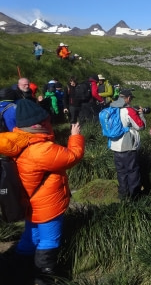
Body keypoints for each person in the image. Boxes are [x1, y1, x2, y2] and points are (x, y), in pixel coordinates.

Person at [0, 99, 84, 282]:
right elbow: (73, 156)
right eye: (46, 120)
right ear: (37, 125)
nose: (49, 123)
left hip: (29, 203)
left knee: (31, 236)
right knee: (49, 240)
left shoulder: (17, 142)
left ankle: (18, 269)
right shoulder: (41, 149)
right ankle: (45, 275)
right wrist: (75, 136)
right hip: (47, 205)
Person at [108, 89, 146, 199]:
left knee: (121, 171)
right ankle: (134, 196)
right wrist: (141, 115)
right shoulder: (128, 110)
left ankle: (123, 195)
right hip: (127, 145)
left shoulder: (111, 108)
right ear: (128, 98)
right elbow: (140, 126)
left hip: (114, 145)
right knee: (132, 170)